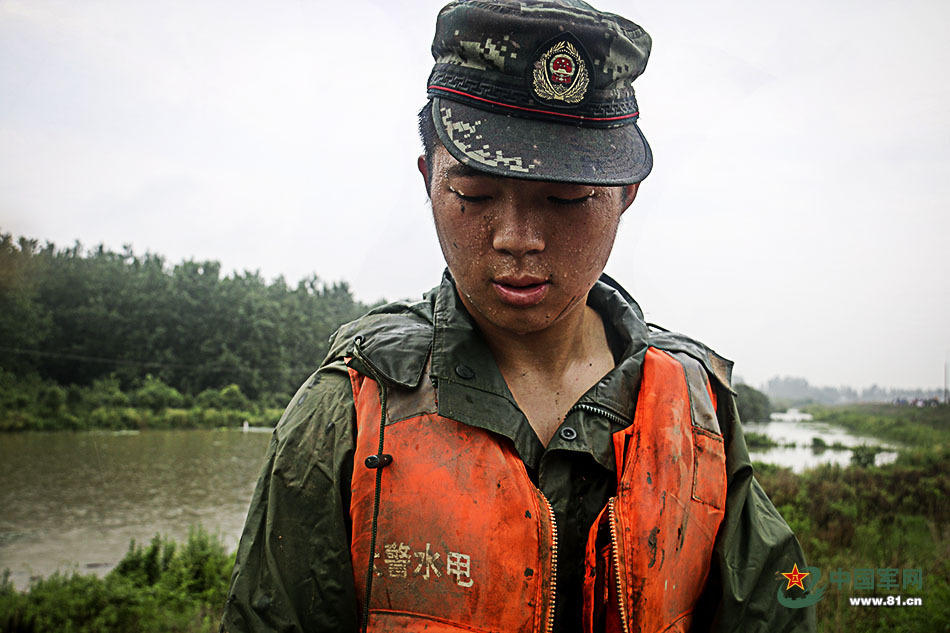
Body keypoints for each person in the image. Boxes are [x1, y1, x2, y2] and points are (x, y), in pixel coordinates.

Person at [221, 1, 816, 631]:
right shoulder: (350, 407)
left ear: (625, 196)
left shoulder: (696, 407)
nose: (517, 238)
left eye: (566, 198)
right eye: (474, 193)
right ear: (429, 179)